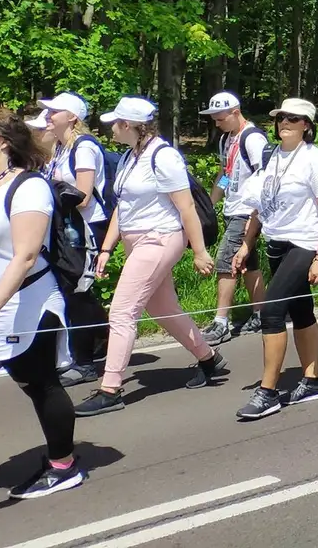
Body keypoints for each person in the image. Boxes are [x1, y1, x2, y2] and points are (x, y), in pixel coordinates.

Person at [75, 97, 226, 417]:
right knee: (163, 309)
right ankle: (208, 358)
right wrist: (107, 248)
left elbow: (186, 208)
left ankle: (110, 389)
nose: (110, 128)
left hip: (160, 239)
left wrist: (199, 252)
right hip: (135, 240)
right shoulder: (131, 156)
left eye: (114, 123)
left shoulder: (164, 156)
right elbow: (122, 206)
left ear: (128, 125)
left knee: (121, 311)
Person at [0, 108, 85, 498]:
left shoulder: (28, 187)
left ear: (3, 142)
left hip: (24, 303)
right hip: (0, 301)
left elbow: (25, 255)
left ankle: (64, 466)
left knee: (39, 383)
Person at [232, 98, 318, 420]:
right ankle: (313, 379)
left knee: (272, 311)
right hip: (276, 242)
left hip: (304, 244)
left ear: (307, 124)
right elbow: (260, 205)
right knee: (301, 310)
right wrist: (246, 243)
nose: (285, 124)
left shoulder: (315, 159)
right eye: (281, 118)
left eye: (293, 119)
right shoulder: (273, 156)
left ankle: (268, 391)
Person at [30, 93, 109, 386]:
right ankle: (100, 339)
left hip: (86, 229)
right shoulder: (63, 148)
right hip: (68, 229)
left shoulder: (84, 147)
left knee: (78, 291)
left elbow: (84, 196)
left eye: (54, 111)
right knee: (71, 291)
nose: (48, 115)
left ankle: (86, 363)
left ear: (72, 117)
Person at [199, 92, 270, 347]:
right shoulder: (226, 139)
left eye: (220, 119)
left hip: (246, 211)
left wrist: (257, 214)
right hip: (231, 208)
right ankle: (261, 313)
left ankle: (221, 322)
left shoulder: (253, 139)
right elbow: (225, 174)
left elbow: (265, 177)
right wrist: (207, 206)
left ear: (235, 112)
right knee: (247, 263)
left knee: (225, 261)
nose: (217, 124)